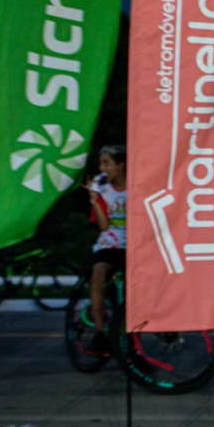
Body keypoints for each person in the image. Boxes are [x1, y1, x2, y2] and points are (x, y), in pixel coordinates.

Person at [83, 145, 127, 357]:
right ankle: (101, 334)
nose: (102, 168)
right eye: (101, 163)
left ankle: (132, 342)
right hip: (110, 244)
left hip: (135, 246)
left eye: (107, 163)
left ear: (121, 165)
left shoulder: (137, 188)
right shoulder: (104, 191)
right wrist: (94, 199)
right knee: (99, 271)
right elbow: (104, 226)